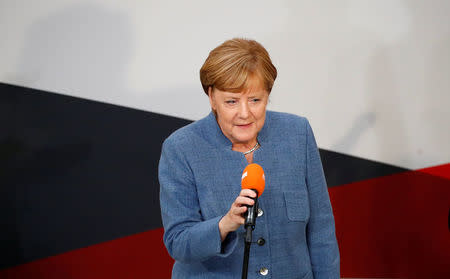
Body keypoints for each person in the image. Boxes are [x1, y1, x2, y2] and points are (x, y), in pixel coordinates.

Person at [159, 38, 340, 279]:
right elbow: (178, 242)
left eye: (255, 100)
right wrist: (226, 224)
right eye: (231, 101)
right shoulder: (181, 148)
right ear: (212, 97)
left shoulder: (297, 133)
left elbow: (321, 230)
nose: (244, 113)